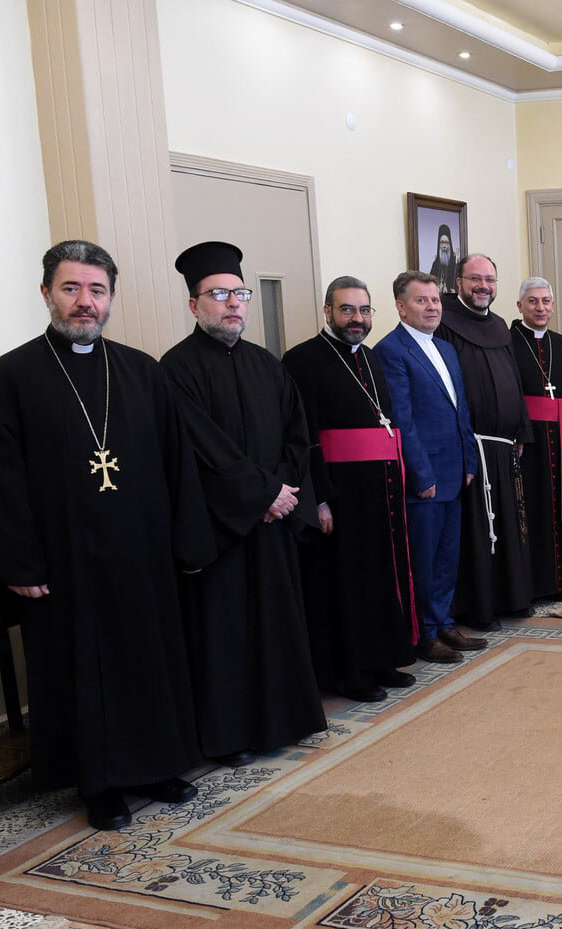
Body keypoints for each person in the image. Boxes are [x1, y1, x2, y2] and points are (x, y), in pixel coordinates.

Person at [0, 240, 214, 831]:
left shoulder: (142, 372)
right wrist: (19, 563)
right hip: (64, 560)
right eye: (71, 288)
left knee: (151, 658)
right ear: (46, 292)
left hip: (142, 554)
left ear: (111, 299)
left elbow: (178, 465)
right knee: (82, 669)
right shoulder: (10, 377)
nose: (84, 303)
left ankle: (158, 764)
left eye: (96, 290)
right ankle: (98, 783)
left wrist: (189, 543)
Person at [162, 240, 326, 768]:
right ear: (194, 305)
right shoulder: (175, 370)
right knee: (226, 631)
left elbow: (296, 439)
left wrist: (283, 494)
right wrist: (261, 496)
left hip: (272, 523)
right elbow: (199, 448)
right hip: (222, 528)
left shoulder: (268, 365)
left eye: (240, 293)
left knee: (278, 621)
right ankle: (230, 735)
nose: (233, 304)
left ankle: (287, 719)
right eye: (218, 295)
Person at [282, 276, 416, 703]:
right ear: (327, 312)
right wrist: (318, 497)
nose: (356, 319)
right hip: (339, 493)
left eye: (363, 310)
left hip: (380, 489)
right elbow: (304, 437)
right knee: (345, 581)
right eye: (346, 310)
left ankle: (380, 658)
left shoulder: (371, 358)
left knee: (379, 574)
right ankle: (348, 672)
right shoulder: (303, 360)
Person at [374, 272, 485, 663]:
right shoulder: (391, 350)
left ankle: (442, 621)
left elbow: (461, 410)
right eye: (422, 301)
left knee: (447, 555)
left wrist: (469, 459)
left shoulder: (446, 348)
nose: (432, 307)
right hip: (425, 478)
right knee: (422, 558)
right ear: (401, 307)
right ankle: (423, 632)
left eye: (435, 300)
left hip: (455, 471)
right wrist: (421, 475)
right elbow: (402, 421)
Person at [437, 254, 534, 627]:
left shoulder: (498, 326)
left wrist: (522, 428)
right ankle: (480, 607)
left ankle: (513, 597)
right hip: (471, 446)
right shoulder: (444, 323)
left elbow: (515, 380)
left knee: (509, 524)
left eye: (490, 279)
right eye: (475, 279)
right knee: (480, 529)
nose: (483, 286)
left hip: (505, 444)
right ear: (458, 282)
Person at [510, 276, 562, 600]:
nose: (540, 307)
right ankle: (534, 583)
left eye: (546, 301)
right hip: (528, 442)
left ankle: (561, 579)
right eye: (533, 301)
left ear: (553, 305)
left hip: (560, 439)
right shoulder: (509, 341)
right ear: (520, 306)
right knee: (533, 509)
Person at [428, 224, 457, 294]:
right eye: (441, 243)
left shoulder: (456, 264)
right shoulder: (435, 264)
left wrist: (454, 291)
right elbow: (429, 285)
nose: (444, 246)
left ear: (450, 244)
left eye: (446, 243)